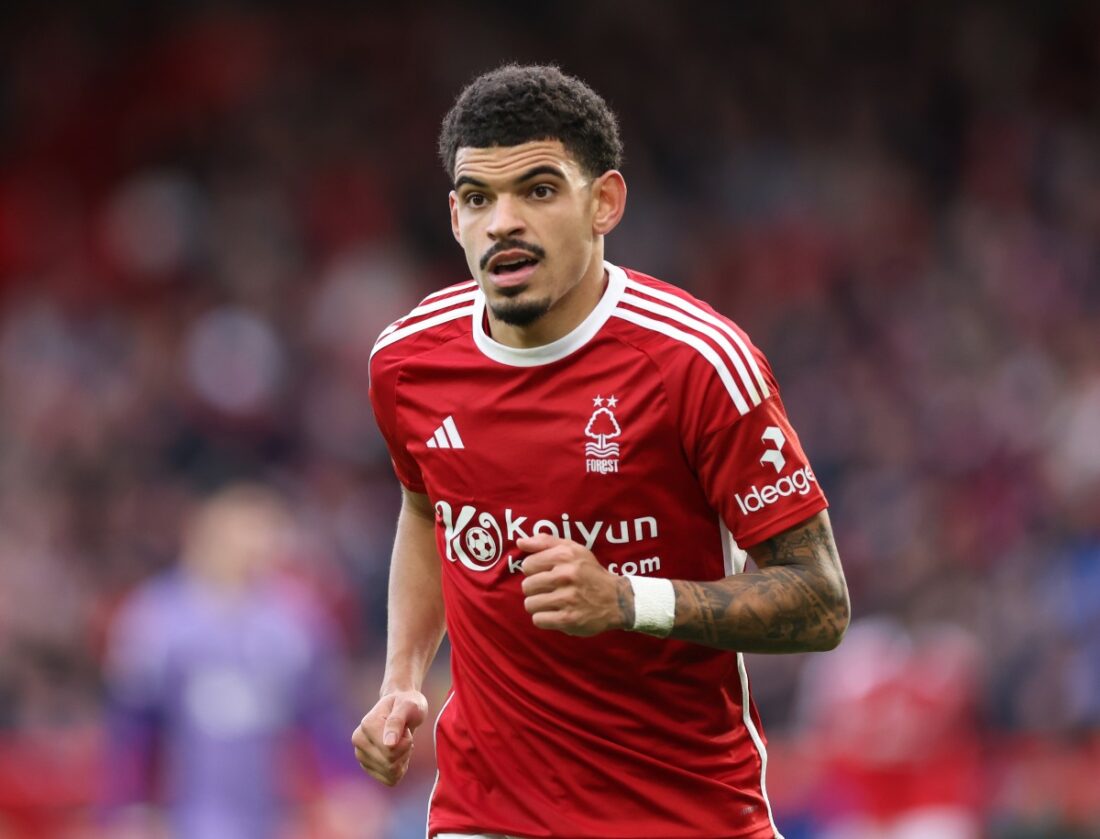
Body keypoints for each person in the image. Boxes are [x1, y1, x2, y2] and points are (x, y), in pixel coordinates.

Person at [352, 64, 850, 839]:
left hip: (685, 814)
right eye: (479, 198)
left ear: (604, 203)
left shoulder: (697, 362)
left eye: (538, 190)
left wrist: (625, 600)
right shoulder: (407, 362)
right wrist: (401, 679)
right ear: (454, 216)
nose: (503, 222)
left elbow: (819, 601)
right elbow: (426, 510)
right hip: (490, 814)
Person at [102, 483, 355, 839]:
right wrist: (126, 806)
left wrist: (344, 786)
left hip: (272, 816)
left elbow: (321, 716)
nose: (255, 543)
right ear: (206, 531)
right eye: (243, 529)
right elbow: (132, 726)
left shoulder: (297, 619)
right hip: (184, 816)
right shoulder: (154, 618)